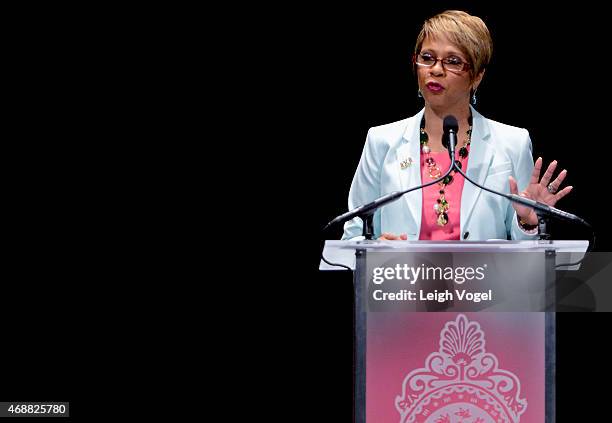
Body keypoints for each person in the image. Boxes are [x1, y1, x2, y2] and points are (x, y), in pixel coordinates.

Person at [342, 10, 572, 241]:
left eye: (453, 61)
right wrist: (376, 251)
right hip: (403, 275)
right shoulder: (381, 140)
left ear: (477, 76)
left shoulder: (512, 143)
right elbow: (353, 236)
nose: (436, 69)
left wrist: (527, 223)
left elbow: (526, 255)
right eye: (427, 57)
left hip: (483, 276)